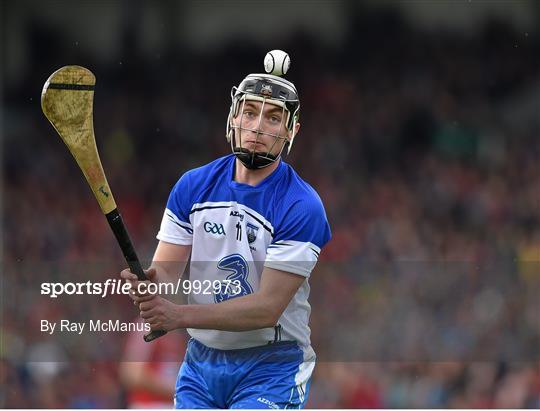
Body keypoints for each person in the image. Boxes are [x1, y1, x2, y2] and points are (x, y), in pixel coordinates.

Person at [121, 52, 331, 409]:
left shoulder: (302, 205)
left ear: (291, 130)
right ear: (233, 118)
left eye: (273, 117)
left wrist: (176, 315)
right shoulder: (192, 186)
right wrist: (147, 284)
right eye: (249, 112)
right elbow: (166, 275)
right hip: (201, 363)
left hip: (272, 364)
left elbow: (265, 309)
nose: (258, 126)